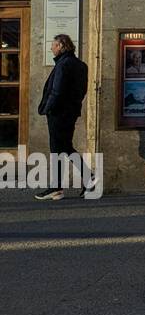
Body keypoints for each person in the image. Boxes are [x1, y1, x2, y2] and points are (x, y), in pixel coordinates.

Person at [34, 34, 90, 201]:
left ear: (61, 46)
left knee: (58, 149)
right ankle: (82, 180)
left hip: (59, 112)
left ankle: (57, 187)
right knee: (64, 147)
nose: (51, 48)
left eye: (53, 45)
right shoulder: (80, 65)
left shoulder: (63, 65)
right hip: (70, 112)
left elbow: (57, 91)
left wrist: (47, 108)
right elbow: (82, 90)